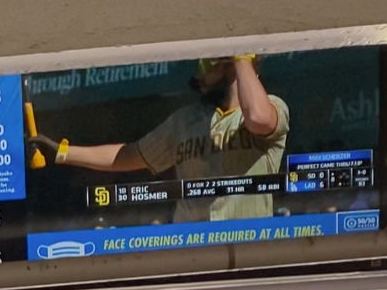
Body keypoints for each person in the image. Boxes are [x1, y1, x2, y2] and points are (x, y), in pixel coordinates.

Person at [27, 55, 290, 223]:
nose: (199, 77)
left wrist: (241, 57)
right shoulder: (184, 120)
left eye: (203, 63)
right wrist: (63, 152)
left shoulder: (273, 107)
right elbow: (129, 156)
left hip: (249, 250)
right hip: (192, 251)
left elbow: (257, 117)